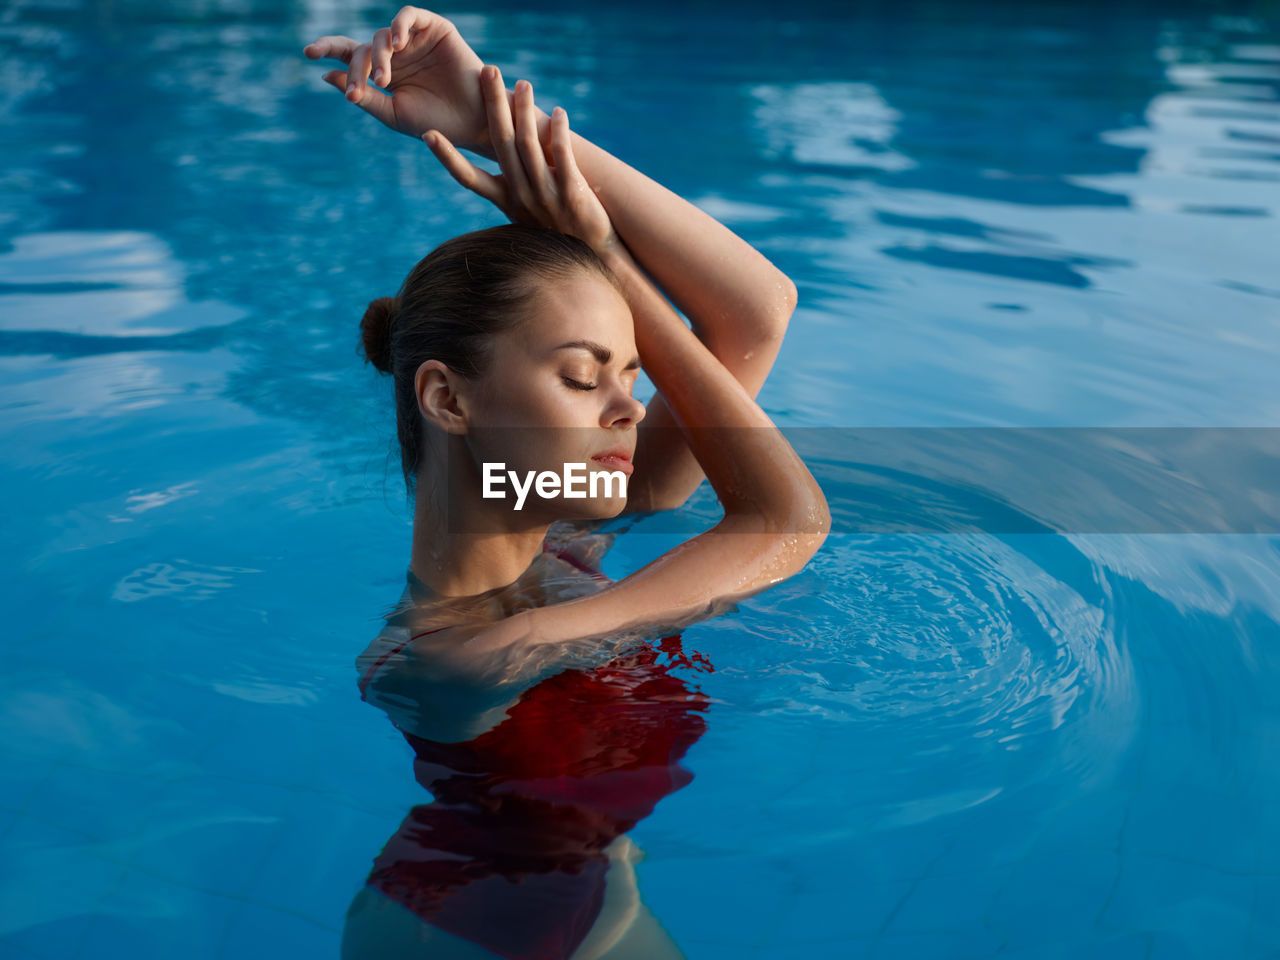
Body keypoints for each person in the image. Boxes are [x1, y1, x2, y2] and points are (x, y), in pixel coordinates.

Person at [304, 8, 829, 958]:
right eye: (586, 378)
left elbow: (757, 312)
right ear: (448, 399)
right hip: (463, 939)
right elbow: (786, 521)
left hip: (593, 894)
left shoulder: (566, 536)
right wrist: (615, 269)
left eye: (630, 377)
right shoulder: (451, 662)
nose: (629, 410)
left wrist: (488, 118)